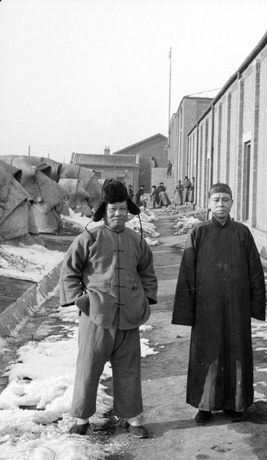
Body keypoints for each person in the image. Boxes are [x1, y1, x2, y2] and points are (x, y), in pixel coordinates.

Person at [59, 179, 158, 438]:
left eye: (123, 209)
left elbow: (147, 272)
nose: (118, 214)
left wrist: (145, 299)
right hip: (96, 317)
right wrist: (80, 299)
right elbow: (69, 271)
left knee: (129, 369)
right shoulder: (88, 238)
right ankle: (82, 418)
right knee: (89, 367)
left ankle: (133, 419)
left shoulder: (137, 241)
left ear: (129, 211)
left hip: (129, 317)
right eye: (113, 209)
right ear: (104, 211)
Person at [172, 183, 266, 425]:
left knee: (236, 353)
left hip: (237, 307)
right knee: (207, 353)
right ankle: (205, 405)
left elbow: (255, 270)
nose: (221, 204)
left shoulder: (242, 232)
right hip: (207, 308)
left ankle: (235, 404)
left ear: (232, 203)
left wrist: (255, 306)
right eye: (216, 200)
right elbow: (187, 273)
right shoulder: (198, 232)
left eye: (225, 200)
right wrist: (187, 310)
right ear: (209, 203)